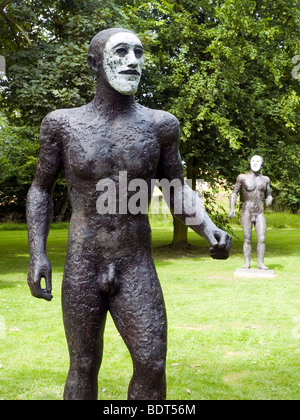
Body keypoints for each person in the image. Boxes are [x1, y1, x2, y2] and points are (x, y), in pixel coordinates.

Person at [26, 28, 232, 400]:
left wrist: (207, 226)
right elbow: (40, 188)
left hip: (135, 263)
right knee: (83, 365)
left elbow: (176, 188)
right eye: (121, 51)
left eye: (139, 52)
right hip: (83, 262)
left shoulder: (160, 125)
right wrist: (37, 254)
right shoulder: (63, 124)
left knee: (151, 363)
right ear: (94, 63)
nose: (133, 60)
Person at [228, 155, 273, 270]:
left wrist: (269, 199)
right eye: (253, 161)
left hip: (260, 213)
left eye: (258, 161)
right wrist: (231, 208)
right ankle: (246, 263)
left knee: (261, 238)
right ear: (250, 163)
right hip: (247, 212)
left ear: (262, 164)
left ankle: (260, 263)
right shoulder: (242, 177)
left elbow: (269, 194)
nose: (255, 163)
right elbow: (234, 193)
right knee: (247, 239)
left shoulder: (265, 179)